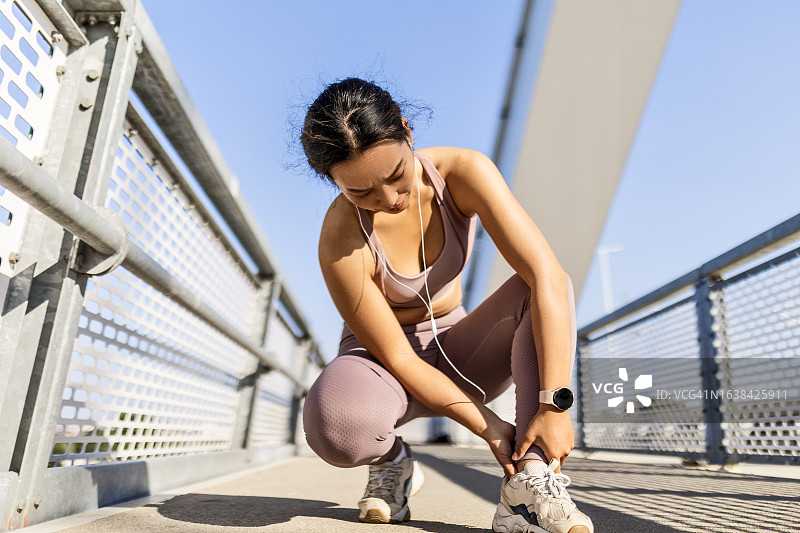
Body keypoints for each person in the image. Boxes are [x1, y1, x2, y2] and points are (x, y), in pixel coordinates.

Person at [300, 77, 594, 533]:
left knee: (538, 287)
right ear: (332, 180)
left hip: (460, 351)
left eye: (396, 175)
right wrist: (488, 426)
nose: (390, 200)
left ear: (406, 130)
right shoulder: (339, 235)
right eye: (361, 192)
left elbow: (549, 278)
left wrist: (555, 406)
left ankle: (529, 486)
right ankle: (394, 463)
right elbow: (397, 355)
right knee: (337, 430)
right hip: (381, 362)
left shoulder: (462, 172)